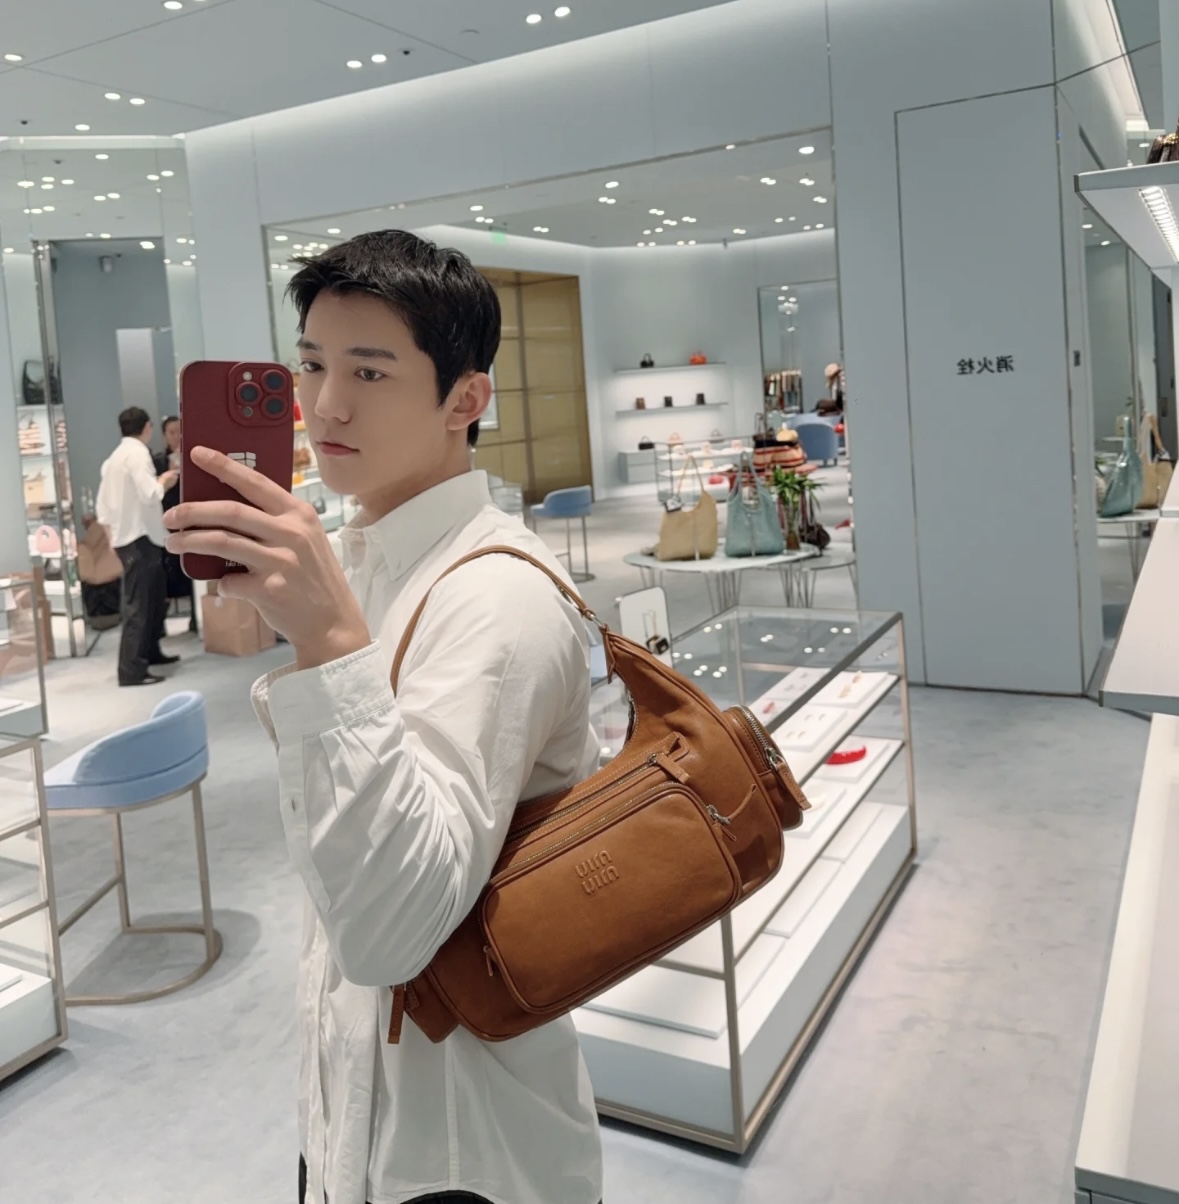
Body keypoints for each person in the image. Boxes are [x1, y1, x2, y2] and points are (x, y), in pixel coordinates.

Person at [163, 231, 602, 1204]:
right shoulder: (372, 562)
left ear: (465, 400)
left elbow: (393, 930)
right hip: (353, 1116)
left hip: (460, 1151)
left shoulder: (497, 599)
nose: (325, 404)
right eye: (310, 365)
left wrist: (326, 640)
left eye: (368, 371)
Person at [97, 407, 181, 686]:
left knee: (152, 600)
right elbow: (150, 493)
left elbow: (103, 507)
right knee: (140, 605)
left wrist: (112, 538)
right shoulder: (137, 454)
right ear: (147, 427)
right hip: (141, 537)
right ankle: (131, 670)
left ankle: (149, 654)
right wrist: (165, 480)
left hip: (131, 538)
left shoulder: (113, 459)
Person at [154, 415, 198, 634]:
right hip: (165, 523)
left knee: (193, 571)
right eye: (171, 432)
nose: (176, 436)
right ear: (164, 435)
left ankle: (197, 620)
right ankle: (159, 626)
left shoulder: (194, 456)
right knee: (165, 574)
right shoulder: (157, 461)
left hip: (191, 520)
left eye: (179, 431)